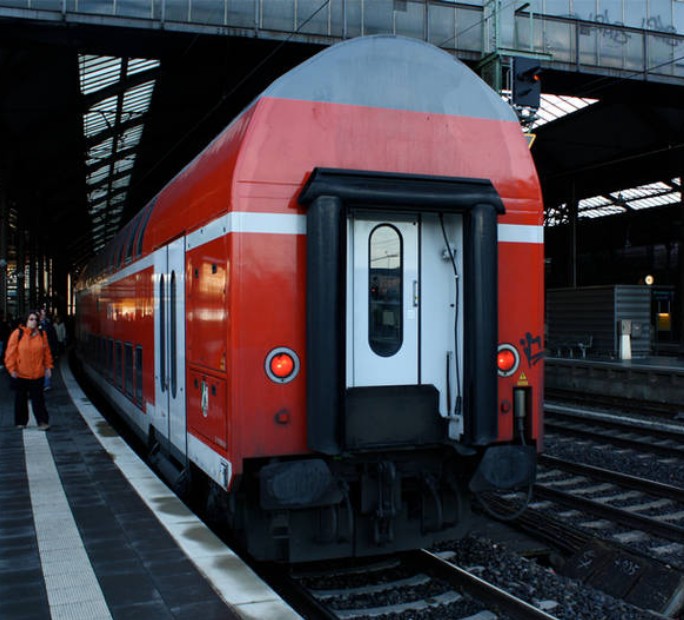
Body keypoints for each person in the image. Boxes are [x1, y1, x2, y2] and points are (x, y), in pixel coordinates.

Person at [4, 310, 54, 430]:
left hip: (37, 373)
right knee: (20, 399)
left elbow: (46, 352)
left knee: (39, 399)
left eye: (35, 320)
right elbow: (10, 353)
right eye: (31, 319)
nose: (33, 322)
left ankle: (42, 421)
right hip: (21, 373)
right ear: (26, 320)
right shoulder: (17, 334)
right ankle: (21, 421)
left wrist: (48, 366)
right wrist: (12, 369)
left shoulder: (42, 334)